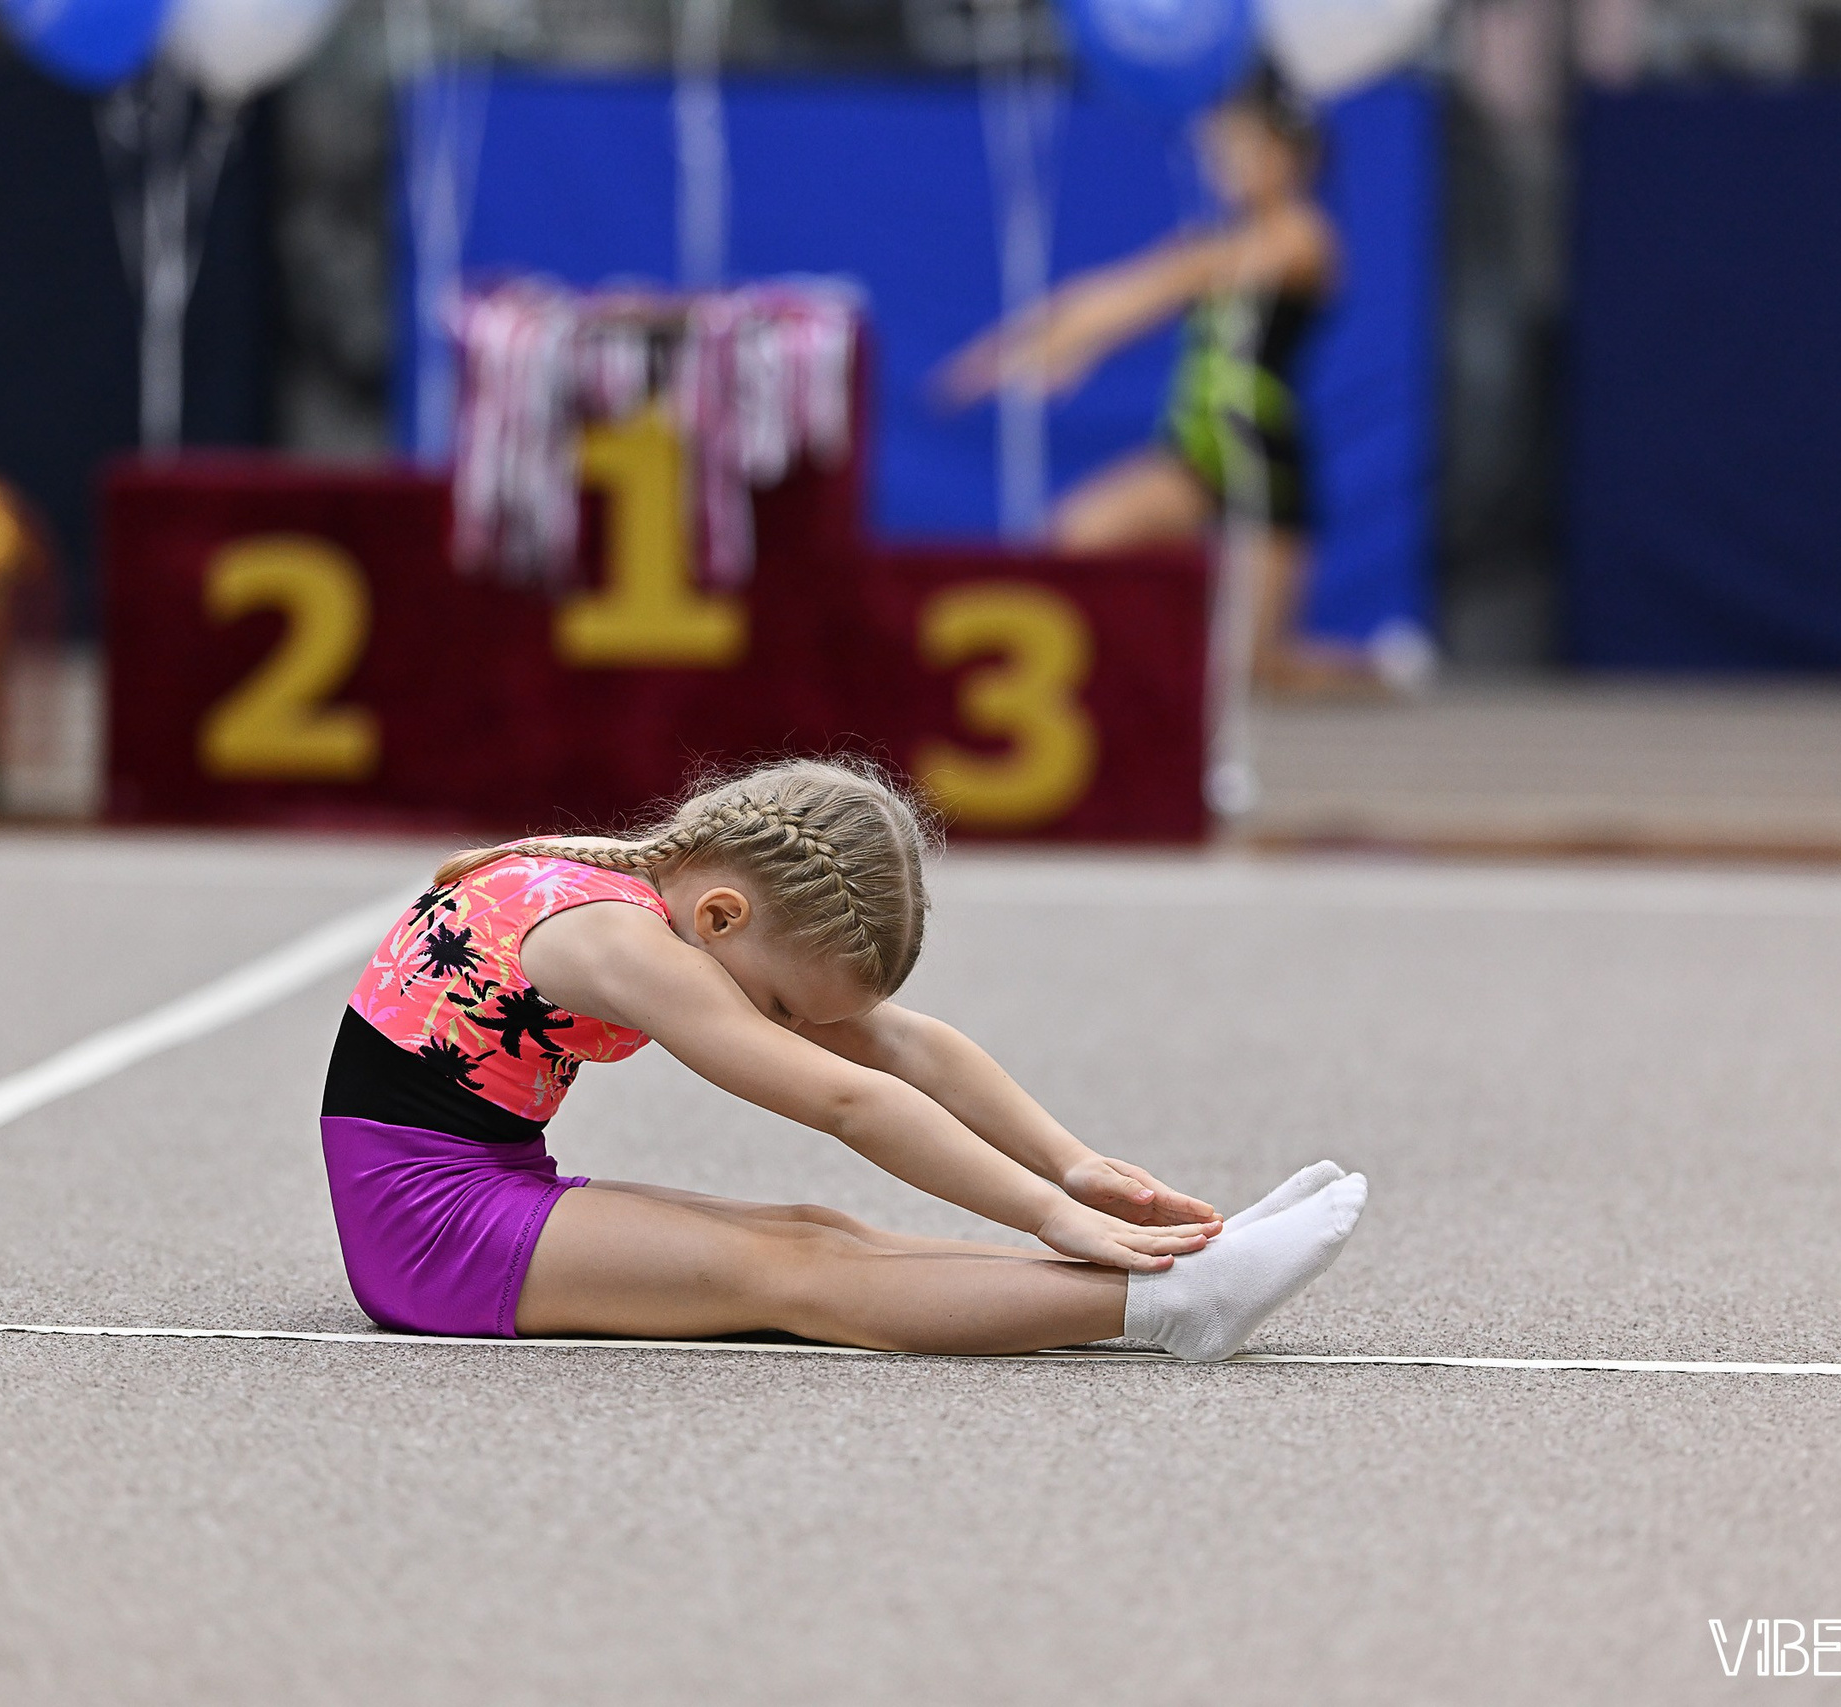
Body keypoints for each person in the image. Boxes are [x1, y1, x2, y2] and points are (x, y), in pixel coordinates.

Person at [319, 757, 1367, 1361]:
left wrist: (1073, 1165)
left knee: (818, 1227)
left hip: (474, 1188)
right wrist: (1049, 1218)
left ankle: (1181, 1273)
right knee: (793, 1271)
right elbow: (846, 1100)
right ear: (724, 915)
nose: (784, 1024)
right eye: (779, 1005)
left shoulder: (647, 894)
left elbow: (901, 1044)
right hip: (426, 1235)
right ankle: (1170, 1307)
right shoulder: (619, 943)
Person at [939, 67, 1370, 693]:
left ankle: (1382, 671)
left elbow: (1164, 284)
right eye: (1221, 146)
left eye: (1240, 145)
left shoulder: (1304, 236)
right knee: (1074, 537)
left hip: (1263, 461)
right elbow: (1114, 288)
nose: (1223, 160)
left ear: (1287, 155)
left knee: (1261, 669)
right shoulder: (1217, 239)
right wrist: (1013, 350)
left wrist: (1081, 340)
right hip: (1196, 451)